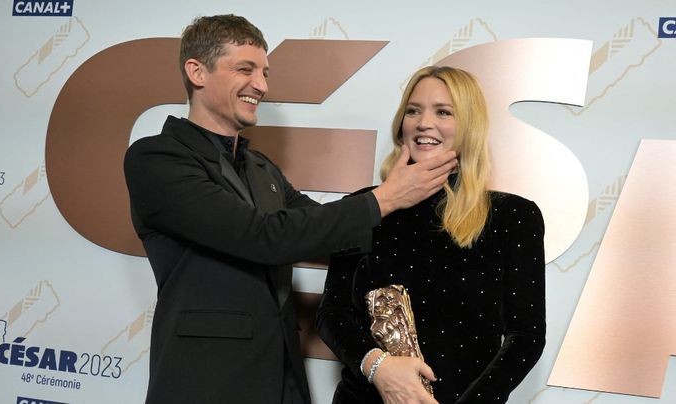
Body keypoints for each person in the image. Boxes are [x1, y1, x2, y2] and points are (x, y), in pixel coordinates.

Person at [123, 15, 457, 404]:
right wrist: (387, 197)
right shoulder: (156, 159)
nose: (261, 85)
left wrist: (419, 209)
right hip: (205, 380)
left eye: (264, 72)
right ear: (197, 71)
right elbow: (263, 236)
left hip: (282, 379)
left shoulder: (260, 167)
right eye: (245, 69)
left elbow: (320, 229)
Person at [317, 66, 546, 404]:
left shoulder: (513, 217)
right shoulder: (365, 208)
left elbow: (526, 337)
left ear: (469, 125)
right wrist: (377, 367)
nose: (424, 123)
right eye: (413, 111)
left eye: (443, 112)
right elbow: (332, 313)